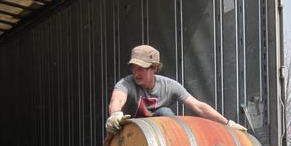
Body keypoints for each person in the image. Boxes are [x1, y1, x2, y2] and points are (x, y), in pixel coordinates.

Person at [105, 45, 246, 135]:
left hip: (157, 138)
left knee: (165, 112)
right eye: (134, 68)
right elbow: (117, 99)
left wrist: (227, 123)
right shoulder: (126, 83)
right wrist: (115, 115)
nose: (136, 73)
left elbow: (198, 106)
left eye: (141, 69)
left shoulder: (169, 85)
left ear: (154, 68)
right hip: (130, 133)